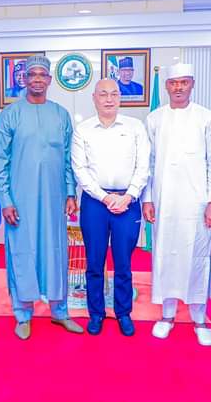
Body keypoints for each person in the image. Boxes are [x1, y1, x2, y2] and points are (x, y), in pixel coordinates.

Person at [0, 55, 83, 339]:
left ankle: (60, 311)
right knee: (21, 250)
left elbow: (70, 157)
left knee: (56, 251)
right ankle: (22, 313)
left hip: (55, 197)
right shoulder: (10, 114)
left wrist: (70, 192)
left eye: (42, 75)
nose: (36, 79)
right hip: (19, 200)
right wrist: (5, 200)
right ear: (24, 79)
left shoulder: (60, 115)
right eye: (31, 74)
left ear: (49, 80)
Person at [141, 63, 211, 346]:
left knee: (198, 257)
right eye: (173, 83)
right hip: (164, 201)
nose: (178, 87)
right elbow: (148, 164)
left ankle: (200, 319)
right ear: (166, 86)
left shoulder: (206, 118)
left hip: (198, 202)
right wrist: (148, 199)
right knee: (165, 255)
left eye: (184, 82)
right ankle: (167, 316)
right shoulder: (154, 118)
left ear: (192, 84)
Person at [71, 78, 150, 336]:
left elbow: (143, 166)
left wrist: (128, 196)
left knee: (124, 262)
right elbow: (79, 169)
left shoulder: (135, 126)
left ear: (120, 98)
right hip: (95, 204)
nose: (108, 99)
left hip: (128, 203)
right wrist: (105, 198)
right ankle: (96, 313)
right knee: (94, 262)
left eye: (114, 94)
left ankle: (123, 312)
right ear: (94, 98)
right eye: (103, 94)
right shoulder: (83, 129)